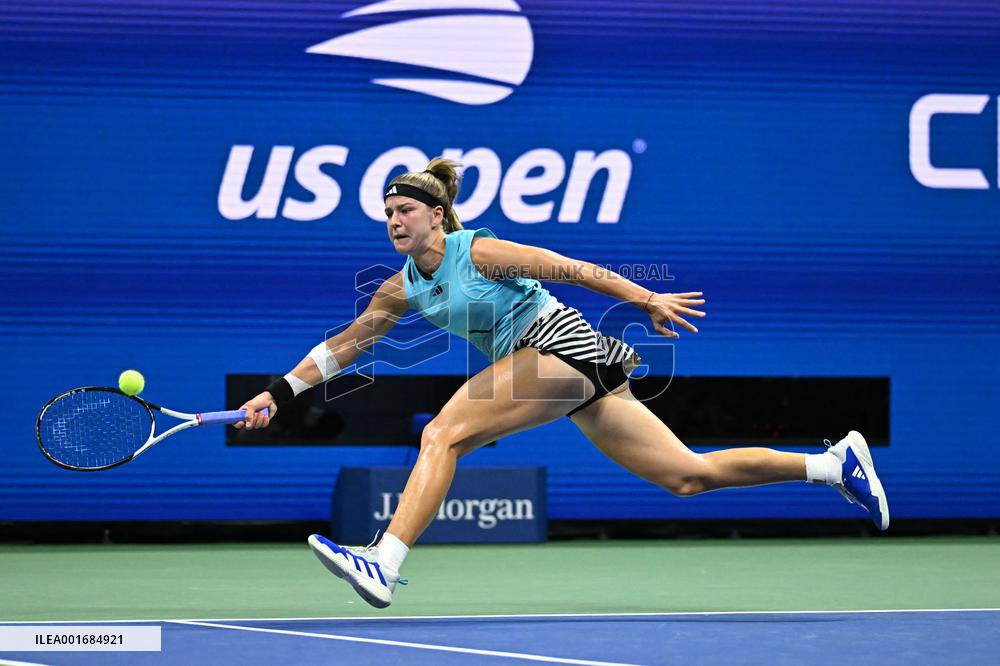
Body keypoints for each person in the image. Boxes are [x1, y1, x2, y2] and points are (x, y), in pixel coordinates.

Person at [235, 157, 889, 609]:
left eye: (405, 210)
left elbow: (569, 268)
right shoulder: (399, 288)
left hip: (563, 346)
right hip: (571, 368)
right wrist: (278, 392)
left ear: (438, 216)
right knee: (687, 476)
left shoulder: (478, 252)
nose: (395, 221)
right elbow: (345, 347)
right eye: (387, 214)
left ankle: (385, 558)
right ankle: (830, 465)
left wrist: (646, 298)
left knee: (443, 433)